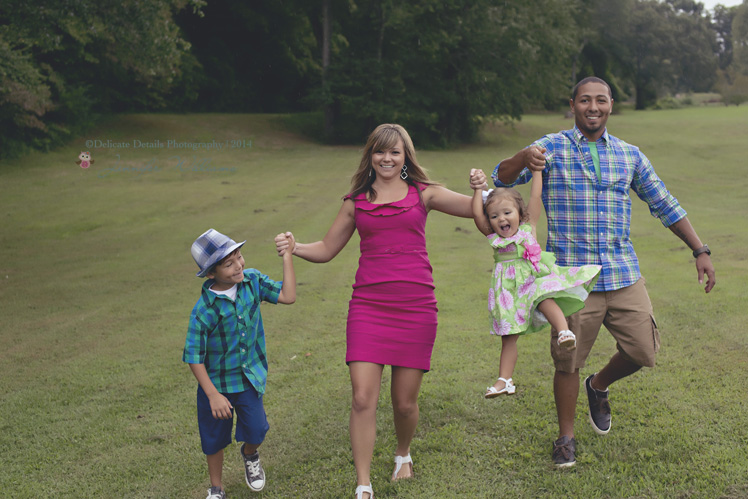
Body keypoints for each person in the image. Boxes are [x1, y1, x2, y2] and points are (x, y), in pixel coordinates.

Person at [493, 76, 716, 468]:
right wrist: (523, 157)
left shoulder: (630, 155)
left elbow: (663, 202)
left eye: (600, 100)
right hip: (573, 281)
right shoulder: (551, 147)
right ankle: (566, 437)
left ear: (611, 104)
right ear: (573, 104)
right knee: (567, 361)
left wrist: (699, 249)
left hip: (623, 273)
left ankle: (598, 385)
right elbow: (502, 179)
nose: (592, 107)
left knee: (643, 351)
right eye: (584, 100)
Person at [275, 124, 484, 499]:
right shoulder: (356, 201)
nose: (387, 159)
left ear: (406, 158)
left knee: (404, 403)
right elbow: (326, 248)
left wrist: (478, 188)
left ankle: (403, 453)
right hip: (368, 307)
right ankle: (363, 483)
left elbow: (474, 211)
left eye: (395, 152)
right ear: (370, 156)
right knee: (361, 397)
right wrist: (295, 246)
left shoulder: (425, 194)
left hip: (416, 306)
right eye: (380, 152)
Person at [183, 228, 296, 498]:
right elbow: (194, 357)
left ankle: (249, 454)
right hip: (216, 387)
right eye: (228, 263)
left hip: (248, 380)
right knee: (214, 440)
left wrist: (287, 257)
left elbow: (288, 296)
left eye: (239, 256)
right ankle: (216, 488)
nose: (238, 265)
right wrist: (212, 395)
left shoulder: (252, 281)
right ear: (212, 273)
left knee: (257, 429)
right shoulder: (204, 310)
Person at [469, 168, 600, 398]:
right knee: (508, 337)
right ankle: (505, 379)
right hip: (508, 293)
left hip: (533, 282)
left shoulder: (529, 229)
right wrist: (477, 190)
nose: (502, 219)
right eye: (495, 216)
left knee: (543, 296)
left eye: (507, 212)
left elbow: (535, 197)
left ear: (520, 214)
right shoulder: (496, 239)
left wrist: (537, 171)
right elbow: (477, 216)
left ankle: (564, 331)